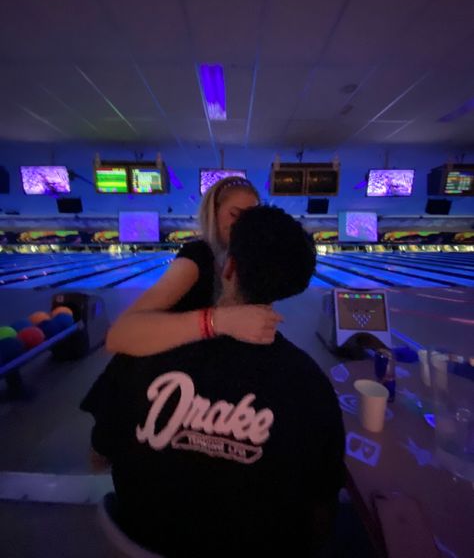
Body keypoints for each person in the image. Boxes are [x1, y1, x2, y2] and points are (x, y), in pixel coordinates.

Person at [81, 206, 346, 558]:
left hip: (139, 542)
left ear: (229, 266)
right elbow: (321, 508)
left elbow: (100, 457)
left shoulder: (141, 353)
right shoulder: (310, 384)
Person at [106, 176, 282, 356]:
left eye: (250, 218)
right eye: (234, 214)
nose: (243, 225)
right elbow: (119, 335)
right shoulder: (197, 255)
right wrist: (216, 321)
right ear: (213, 213)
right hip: (178, 371)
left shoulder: (247, 260)